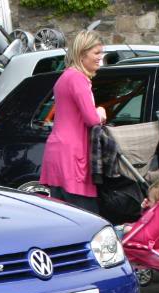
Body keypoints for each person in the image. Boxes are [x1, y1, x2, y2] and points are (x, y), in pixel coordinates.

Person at [38, 30, 107, 213]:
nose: (100, 57)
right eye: (96, 53)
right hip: (73, 156)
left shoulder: (65, 76)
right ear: (82, 54)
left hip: (58, 154)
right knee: (87, 217)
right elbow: (92, 119)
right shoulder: (78, 79)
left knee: (63, 215)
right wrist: (100, 111)